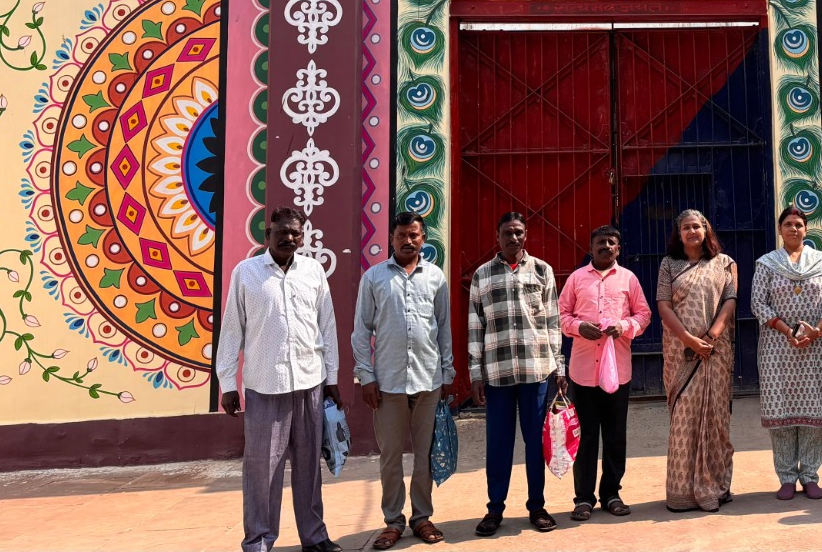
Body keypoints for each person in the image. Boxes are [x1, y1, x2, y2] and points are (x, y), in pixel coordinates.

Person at [217, 207, 343, 552]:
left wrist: (332, 377)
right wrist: (227, 383)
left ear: (302, 237)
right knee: (262, 470)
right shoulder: (246, 273)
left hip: (309, 382)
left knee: (309, 467)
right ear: (267, 235)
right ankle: (258, 541)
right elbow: (231, 329)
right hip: (265, 385)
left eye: (295, 233)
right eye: (281, 232)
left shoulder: (313, 271)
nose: (289, 238)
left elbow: (327, 327)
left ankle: (314, 537)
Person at [353, 211, 455, 549]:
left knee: (424, 455)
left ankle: (422, 517)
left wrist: (447, 371)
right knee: (391, 457)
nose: (408, 241)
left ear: (423, 238)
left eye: (414, 235)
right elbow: (361, 330)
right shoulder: (374, 277)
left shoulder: (435, 277)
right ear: (392, 239)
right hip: (387, 383)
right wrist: (366, 375)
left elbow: (443, 327)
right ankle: (393, 521)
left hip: (428, 380)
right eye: (401, 235)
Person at [467, 211, 567, 536]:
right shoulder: (482, 275)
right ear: (497, 237)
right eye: (507, 233)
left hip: (535, 370)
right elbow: (475, 326)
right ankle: (494, 510)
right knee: (499, 444)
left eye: (519, 232)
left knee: (535, 442)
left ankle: (537, 506)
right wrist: (475, 372)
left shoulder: (542, 270)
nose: (513, 238)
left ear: (526, 235)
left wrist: (559, 366)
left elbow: (552, 321)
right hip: (497, 373)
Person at [558, 225, 652, 521]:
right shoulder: (576, 279)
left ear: (618, 249)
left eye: (612, 242)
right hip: (583, 372)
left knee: (614, 436)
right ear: (591, 247)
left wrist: (624, 326)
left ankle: (611, 493)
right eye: (601, 242)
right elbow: (561, 315)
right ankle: (583, 499)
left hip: (617, 372)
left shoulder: (629, 279)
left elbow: (644, 315)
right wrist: (578, 327)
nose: (606, 246)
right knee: (585, 437)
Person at [753, 206, 822, 501]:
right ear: (780, 230)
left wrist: (816, 331)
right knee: (782, 413)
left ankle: (811, 476)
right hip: (778, 349)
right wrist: (787, 331)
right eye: (788, 224)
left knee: (813, 413)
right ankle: (787, 477)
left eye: (799, 224)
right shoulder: (767, 264)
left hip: (815, 348)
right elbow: (758, 303)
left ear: (806, 229)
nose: (793, 229)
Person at [657, 209, 738, 512]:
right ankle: (681, 493)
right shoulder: (669, 265)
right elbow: (663, 305)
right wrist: (689, 340)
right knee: (684, 418)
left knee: (716, 419)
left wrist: (712, 336)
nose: (692, 232)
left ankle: (716, 487)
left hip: (716, 353)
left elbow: (730, 300)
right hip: (681, 353)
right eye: (686, 228)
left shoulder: (725, 263)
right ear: (679, 234)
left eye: (697, 226)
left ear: (706, 230)